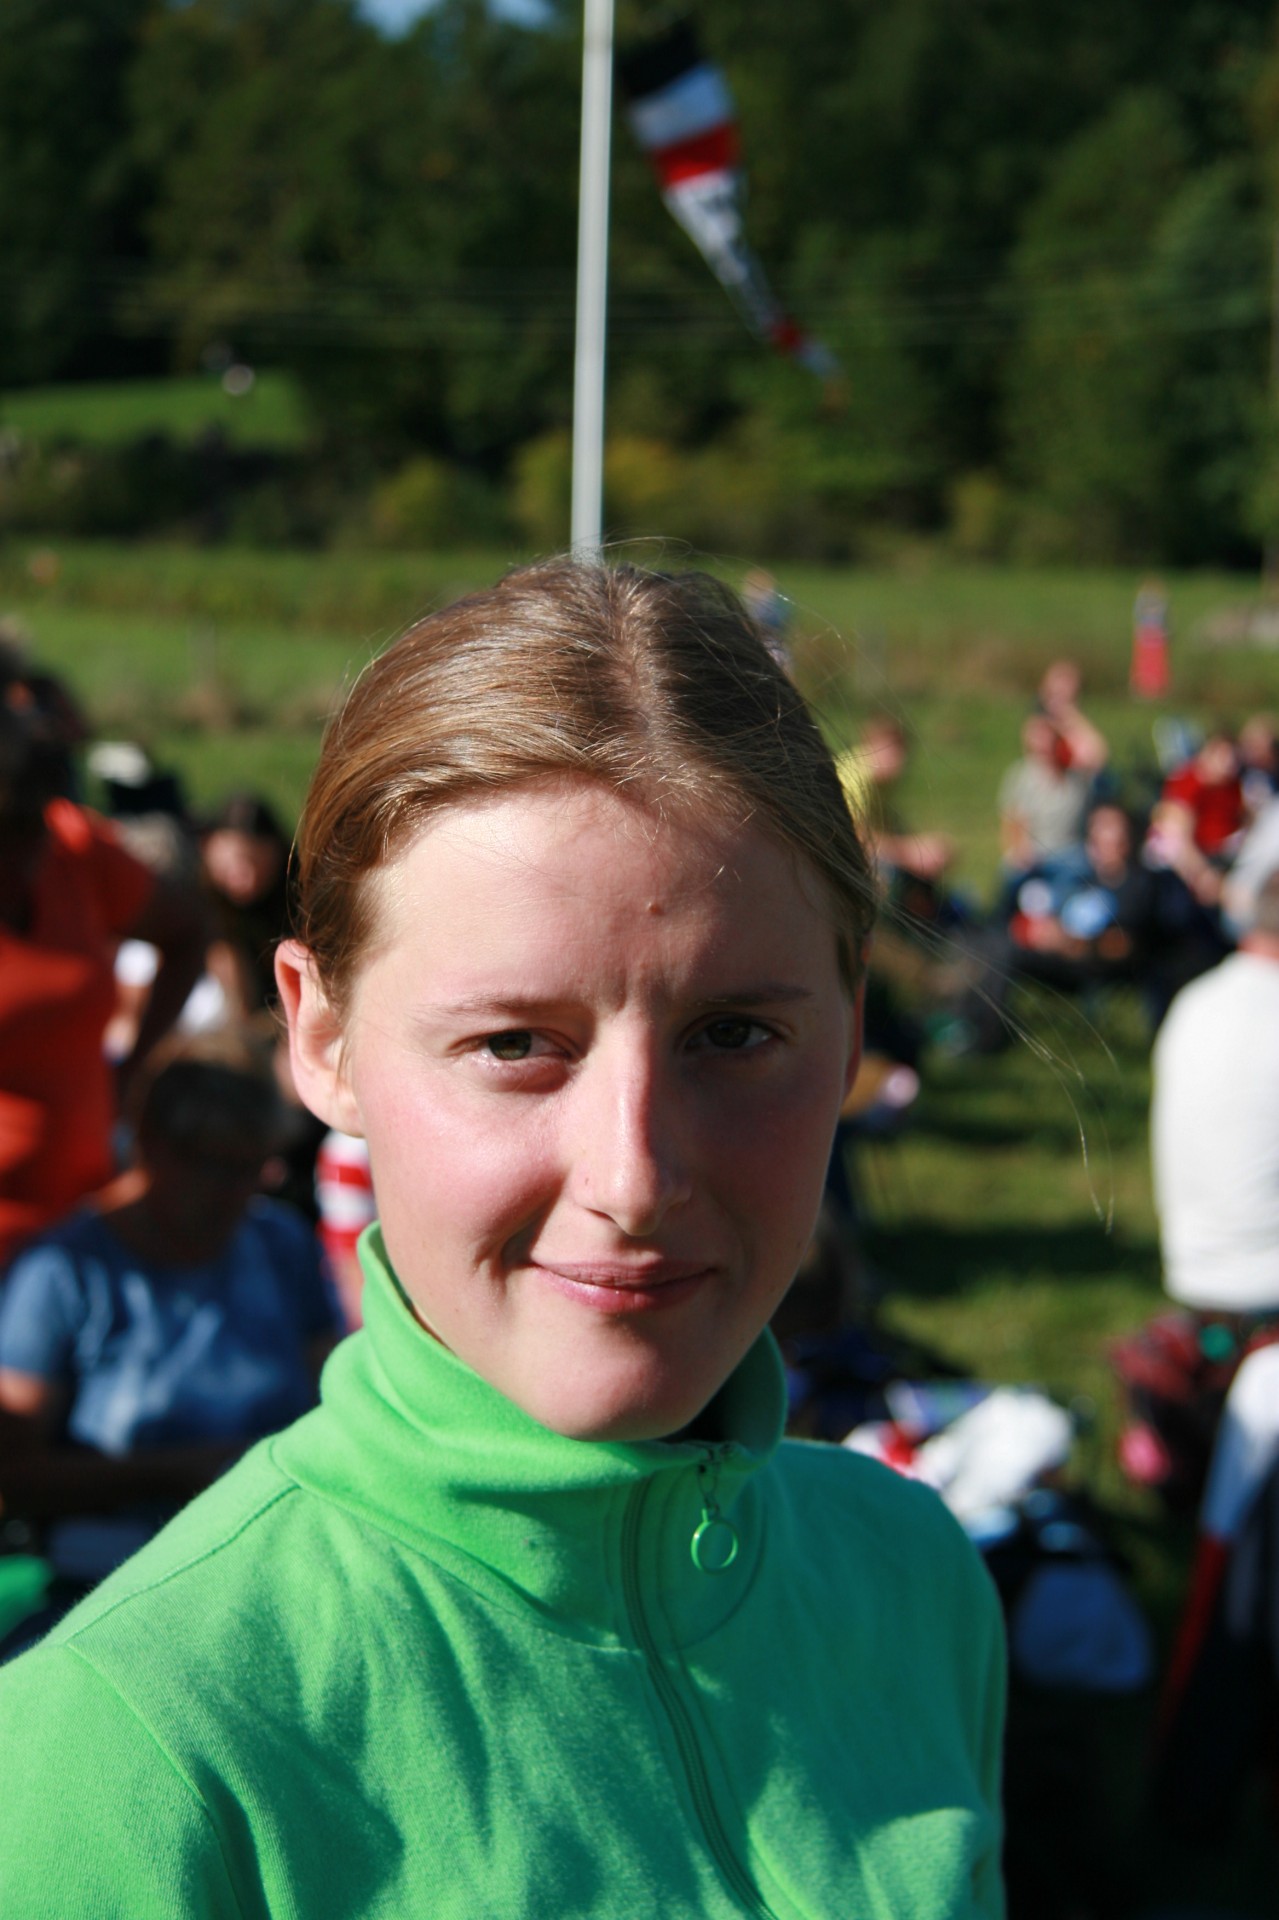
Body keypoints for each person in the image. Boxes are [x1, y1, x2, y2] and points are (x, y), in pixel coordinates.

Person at [0, 562, 1005, 1918]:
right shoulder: (129, 1751)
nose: (634, 1179)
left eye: (732, 1035)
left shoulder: (911, 1581)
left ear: (848, 1032)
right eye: (515, 1043)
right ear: (323, 1039)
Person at [0, 1032, 341, 1612]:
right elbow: (15, 1477)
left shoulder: (281, 1243)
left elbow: (329, 1398)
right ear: (150, 1145)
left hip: (275, 1560)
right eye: (212, 1165)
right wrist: (175, 1474)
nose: (233, 1192)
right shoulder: (63, 1273)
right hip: (105, 1582)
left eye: (250, 1167)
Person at [0, 701, 206, 1271]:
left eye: (34, 826)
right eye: (8, 834)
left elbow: (188, 931)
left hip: (82, 1232)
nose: (28, 857)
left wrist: (133, 1069)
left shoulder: (74, 850)